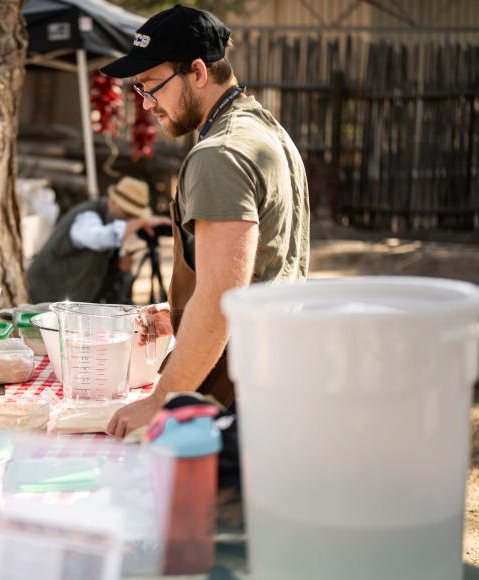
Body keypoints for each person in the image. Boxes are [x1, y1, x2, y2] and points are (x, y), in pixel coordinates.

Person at [101, 6, 310, 437]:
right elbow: (261, 269)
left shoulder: (219, 154)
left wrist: (159, 401)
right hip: (274, 373)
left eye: (150, 86)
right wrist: (180, 312)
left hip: (237, 393)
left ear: (197, 71)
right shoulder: (267, 131)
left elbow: (220, 301)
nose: (147, 103)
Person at [26, 176, 171, 304]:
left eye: (135, 216)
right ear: (112, 202)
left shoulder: (115, 225)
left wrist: (119, 268)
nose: (130, 220)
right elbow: (101, 238)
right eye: (128, 213)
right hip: (41, 302)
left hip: (68, 308)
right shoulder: (87, 217)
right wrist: (139, 222)